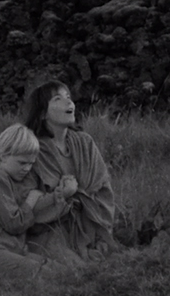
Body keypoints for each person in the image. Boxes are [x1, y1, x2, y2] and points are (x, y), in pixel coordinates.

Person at [0, 123, 78, 277]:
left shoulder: (16, 182)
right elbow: (14, 223)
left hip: (11, 250)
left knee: (59, 269)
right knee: (44, 274)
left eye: (31, 163)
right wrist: (30, 201)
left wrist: (61, 195)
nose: (27, 168)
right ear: (3, 156)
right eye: (22, 163)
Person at [22, 80, 117, 261]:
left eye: (69, 97)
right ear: (42, 113)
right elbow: (27, 201)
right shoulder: (32, 150)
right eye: (58, 99)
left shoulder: (85, 143)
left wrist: (103, 229)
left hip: (91, 225)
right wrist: (63, 195)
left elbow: (104, 190)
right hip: (51, 229)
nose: (69, 103)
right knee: (69, 265)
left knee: (106, 258)